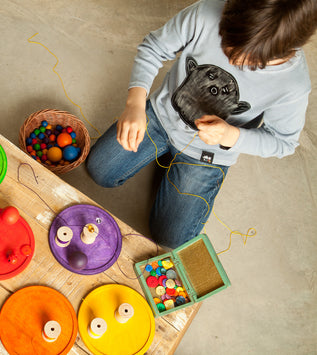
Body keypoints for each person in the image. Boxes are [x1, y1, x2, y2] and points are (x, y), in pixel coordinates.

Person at [86, 0, 317, 249]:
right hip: (160, 118)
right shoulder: (208, 12)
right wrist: (135, 103)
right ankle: (165, 158)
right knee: (99, 171)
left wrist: (231, 135)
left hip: (209, 154)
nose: (232, 59)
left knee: (170, 239)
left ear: (283, 51)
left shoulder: (292, 85)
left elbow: (283, 142)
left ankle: (175, 167)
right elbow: (154, 47)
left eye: (249, 60)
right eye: (227, 40)